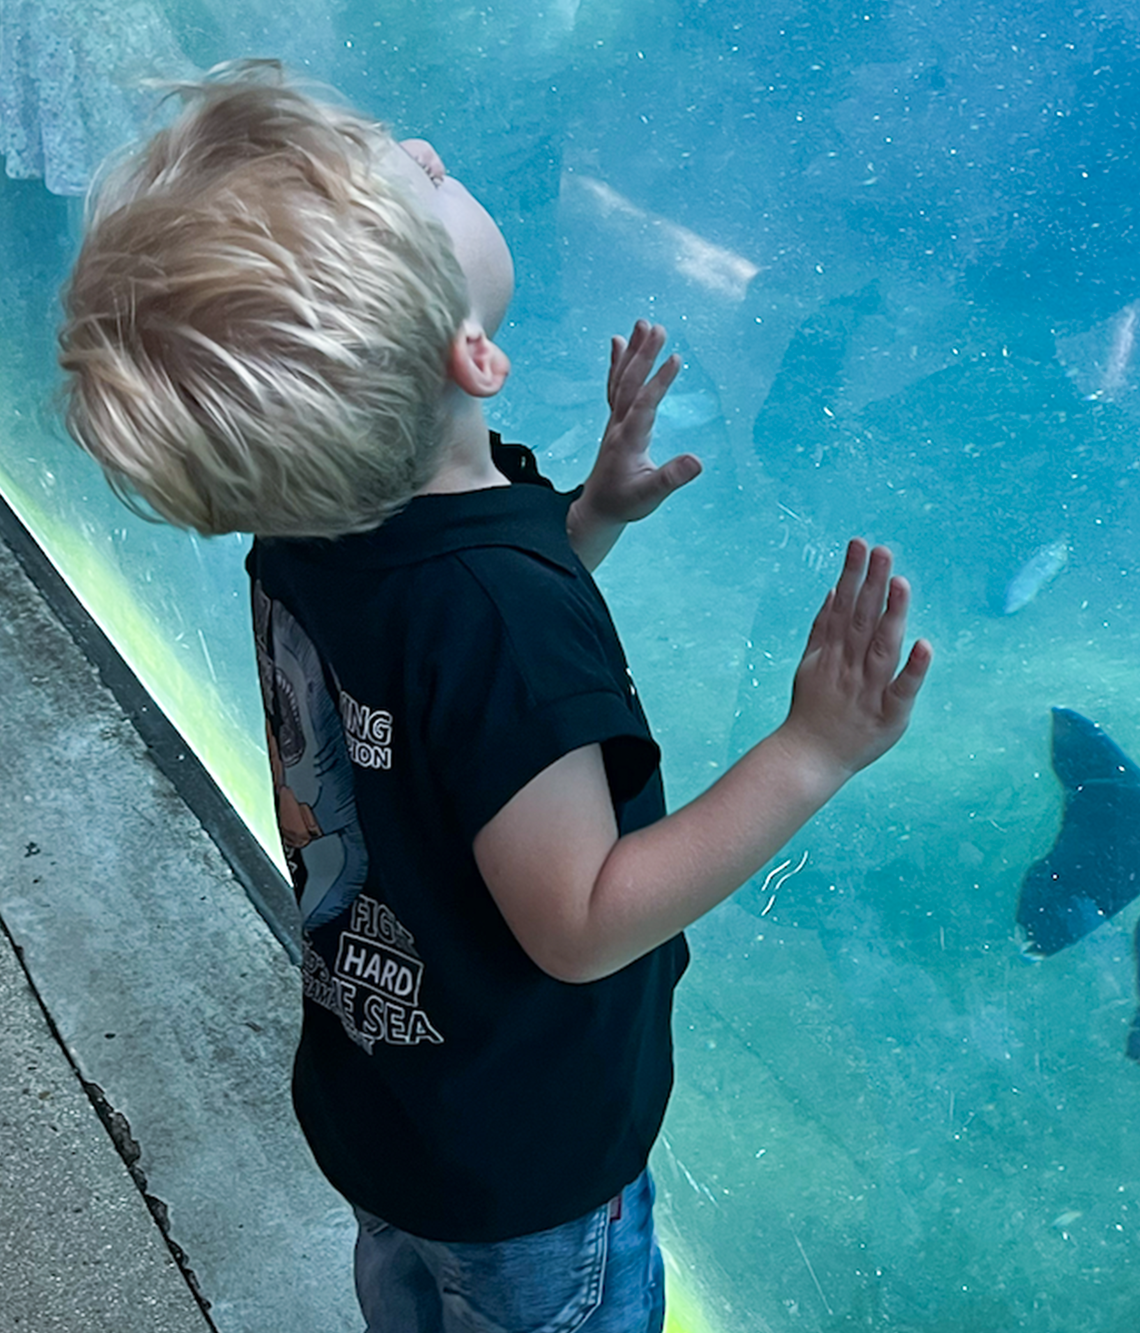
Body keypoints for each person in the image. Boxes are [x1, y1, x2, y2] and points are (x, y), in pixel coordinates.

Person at [56, 62, 930, 1332]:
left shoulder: (314, 530)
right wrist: (811, 750)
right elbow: (581, 918)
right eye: (415, 182)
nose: (421, 147)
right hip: (527, 1172)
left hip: (386, 1103)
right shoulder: (497, 619)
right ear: (473, 351)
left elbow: (431, 713)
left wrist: (579, 523)